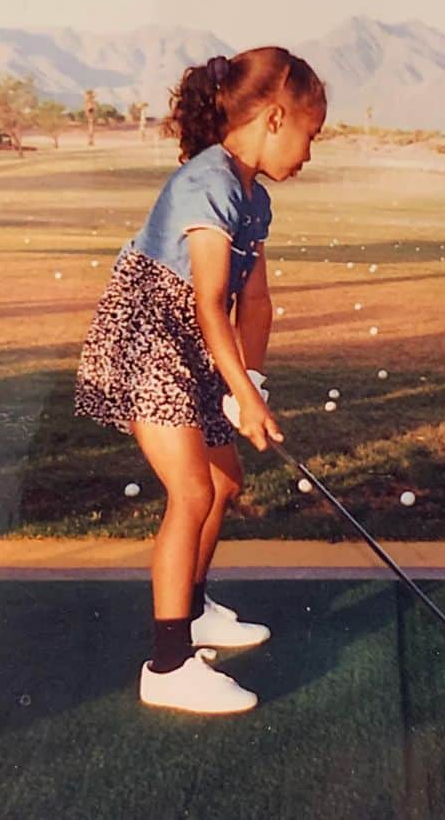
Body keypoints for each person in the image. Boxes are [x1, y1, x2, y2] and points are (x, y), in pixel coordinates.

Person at [74, 47, 327, 714]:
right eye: (311, 131)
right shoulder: (207, 181)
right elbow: (207, 301)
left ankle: (189, 608)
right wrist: (237, 389)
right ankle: (168, 664)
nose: (310, 150)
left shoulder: (254, 197)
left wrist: (256, 384)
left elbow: (258, 303)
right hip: (148, 340)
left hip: (196, 346)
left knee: (225, 482)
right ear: (276, 117)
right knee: (190, 491)